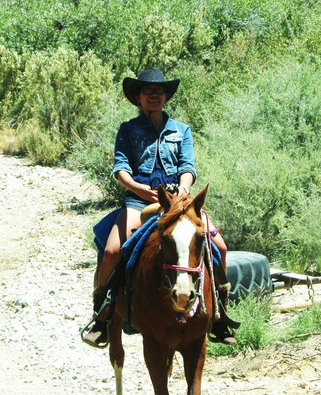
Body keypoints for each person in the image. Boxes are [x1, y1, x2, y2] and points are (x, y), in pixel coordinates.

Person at [81, 68, 239, 347]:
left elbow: (188, 167)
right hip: (138, 201)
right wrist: (138, 188)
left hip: (178, 203)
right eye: (148, 91)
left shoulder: (182, 130)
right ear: (138, 97)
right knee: (111, 252)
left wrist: (184, 188)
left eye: (159, 91)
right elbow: (120, 168)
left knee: (221, 248)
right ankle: (102, 315)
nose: (154, 95)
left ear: (165, 96)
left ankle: (219, 314)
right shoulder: (127, 130)